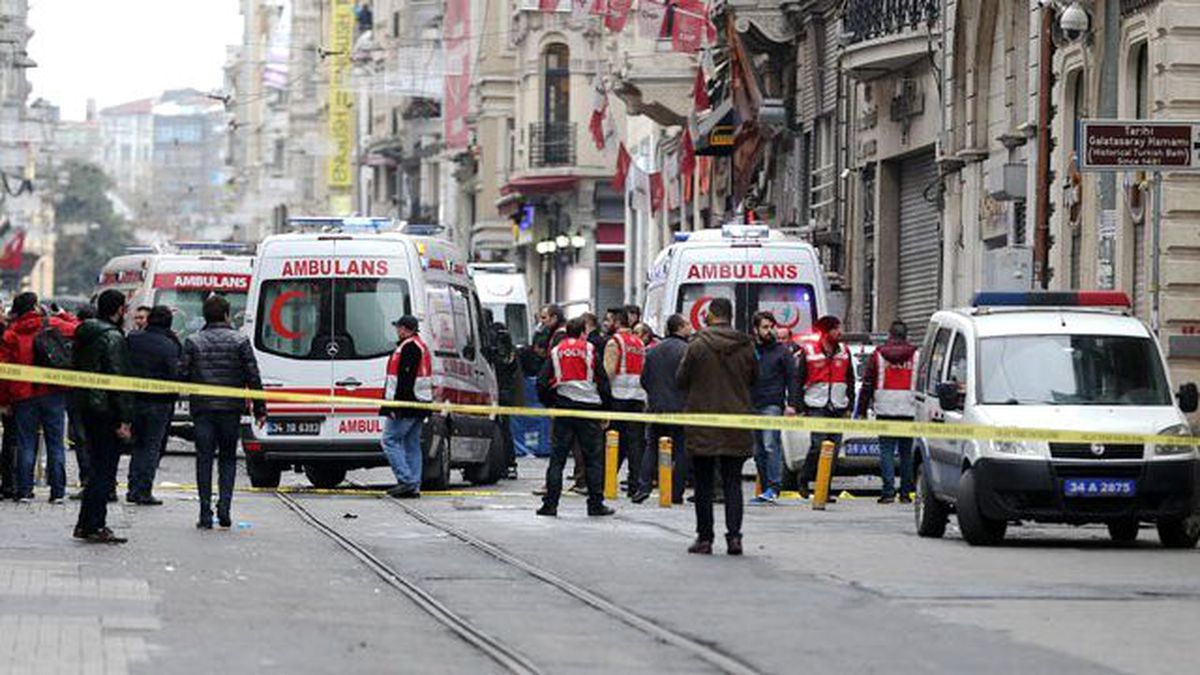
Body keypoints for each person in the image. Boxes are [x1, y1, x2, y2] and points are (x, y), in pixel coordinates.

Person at [676, 297, 756, 555]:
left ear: (710, 315)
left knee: (704, 483)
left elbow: (681, 378)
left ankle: (705, 538)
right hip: (737, 421)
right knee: (733, 483)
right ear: (730, 316)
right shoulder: (746, 346)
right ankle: (735, 538)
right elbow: (756, 377)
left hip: (703, 422)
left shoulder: (698, 345)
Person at [180, 295, 267, 529]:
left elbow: (182, 375)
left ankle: (205, 512)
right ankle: (225, 508)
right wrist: (260, 408)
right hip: (230, 409)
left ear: (205, 316)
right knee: (228, 458)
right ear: (227, 314)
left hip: (203, 410)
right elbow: (253, 376)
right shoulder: (240, 341)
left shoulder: (193, 341)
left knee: (204, 459)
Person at [0, 292, 79, 503]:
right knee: (55, 444)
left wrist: (4, 401)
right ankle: (58, 492)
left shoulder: (11, 334)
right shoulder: (52, 323)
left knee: (26, 444)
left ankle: (25, 491)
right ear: (35, 306)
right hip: (53, 392)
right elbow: (79, 328)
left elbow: (4, 372)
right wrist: (64, 315)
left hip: (22, 395)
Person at [536, 317, 615, 517]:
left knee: (557, 460)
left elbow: (541, 382)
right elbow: (603, 382)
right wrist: (605, 410)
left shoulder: (556, 351)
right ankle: (595, 504)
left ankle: (550, 505)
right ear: (583, 332)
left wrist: (551, 403)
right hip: (589, 410)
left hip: (564, 408)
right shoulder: (590, 350)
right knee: (593, 460)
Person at [72, 290, 134, 544]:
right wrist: (124, 419)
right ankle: (95, 524)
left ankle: (85, 524)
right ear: (118, 310)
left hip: (86, 406)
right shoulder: (112, 337)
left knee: (97, 466)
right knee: (104, 471)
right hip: (106, 410)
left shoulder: (84, 333)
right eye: (125, 308)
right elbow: (118, 380)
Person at [856, 320, 919, 504]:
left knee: (887, 452)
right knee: (906, 453)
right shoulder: (916, 355)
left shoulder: (878, 355)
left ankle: (888, 492)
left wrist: (861, 409)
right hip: (909, 408)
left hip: (885, 408)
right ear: (905, 335)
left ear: (890, 335)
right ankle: (906, 493)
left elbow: (867, 383)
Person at [632, 314, 692, 504]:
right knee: (682, 450)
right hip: (681, 409)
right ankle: (676, 492)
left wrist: (656, 396)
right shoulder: (688, 351)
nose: (691, 327)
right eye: (688, 324)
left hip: (657, 408)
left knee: (652, 448)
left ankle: (643, 487)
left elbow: (644, 380)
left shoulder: (653, 351)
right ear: (680, 327)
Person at [124, 305, 181, 505]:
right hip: (160, 402)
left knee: (138, 445)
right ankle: (143, 490)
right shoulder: (170, 344)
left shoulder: (132, 339)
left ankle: (132, 488)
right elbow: (176, 373)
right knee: (151, 447)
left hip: (134, 399)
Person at [797, 315, 855, 500]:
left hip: (837, 406)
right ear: (825, 331)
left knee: (834, 449)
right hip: (816, 404)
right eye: (836, 329)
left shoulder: (844, 351)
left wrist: (849, 405)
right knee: (817, 445)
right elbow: (799, 379)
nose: (840, 332)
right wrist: (798, 406)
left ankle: (824, 489)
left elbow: (850, 380)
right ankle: (804, 479)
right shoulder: (809, 350)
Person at [748, 311, 798, 504]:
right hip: (752, 404)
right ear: (756, 329)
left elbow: (792, 378)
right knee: (758, 449)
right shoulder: (750, 350)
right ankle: (766, 487)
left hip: (772, 404)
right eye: (765, 327)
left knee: (770, 445)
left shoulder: (782, 352)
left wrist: (792, 404)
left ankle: (774, 486)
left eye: (771, 327)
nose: (770, 331)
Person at [381, 315, 432, 498]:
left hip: (407, 404)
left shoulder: (409, 348)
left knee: (389, 440)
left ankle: (406, 480)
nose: (397, 331)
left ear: (405, 329)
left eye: (399, 328)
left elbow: (403, 380)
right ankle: (414, 484)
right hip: (419, 403)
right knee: (411, 444)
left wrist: (395, 407)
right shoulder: (419, 345)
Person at [603, 307, 647, 499]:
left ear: (617, 322)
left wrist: (602, 393)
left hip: (618, 397)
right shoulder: (638, 342)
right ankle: (634, 484)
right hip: (637, 398)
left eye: (609, 320)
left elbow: (609, 371)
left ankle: (606, 481)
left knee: (614, 441)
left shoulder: (615, 342)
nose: (606, 323)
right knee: (635, 444)